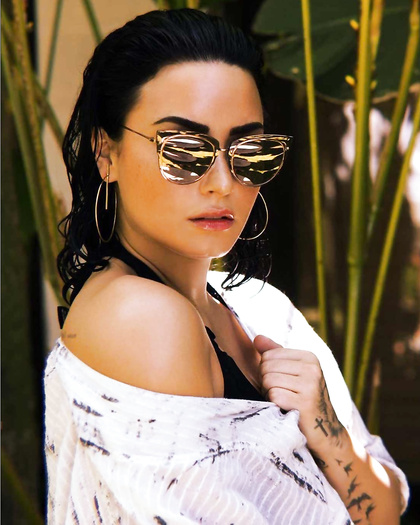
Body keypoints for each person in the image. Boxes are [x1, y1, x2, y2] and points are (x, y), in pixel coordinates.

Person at [44, 8, 408, 524]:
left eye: (249, 151)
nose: (222, 183)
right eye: (183, 150)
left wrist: (329, 432)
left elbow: (386, 509)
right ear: (107, 153)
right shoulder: (142, 319)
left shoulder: (257, 307)